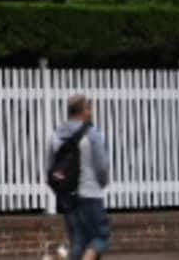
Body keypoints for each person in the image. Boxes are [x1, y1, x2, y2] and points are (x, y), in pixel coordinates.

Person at [47, 94, 112, 260]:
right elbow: (103, 167)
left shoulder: (55, 136)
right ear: (83, 111)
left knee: (77, 242)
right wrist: (102, 183)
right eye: (89, 108)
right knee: (101, 237)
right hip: (91, 193)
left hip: (68, 197)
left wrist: (62, 191)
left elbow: (50, 169)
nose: (91, 112)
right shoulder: (93, 134)